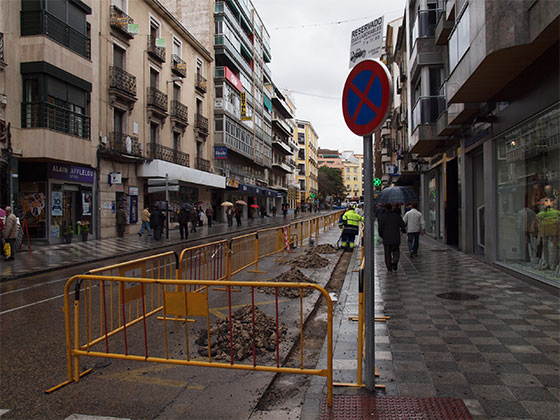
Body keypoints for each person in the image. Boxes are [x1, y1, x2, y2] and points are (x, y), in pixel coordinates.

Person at [378, 203, 406, 272]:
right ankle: (395, 262)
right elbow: (403, 224)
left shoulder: (383, 217)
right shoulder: (397, 216)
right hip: (396, 238)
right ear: (391, 208)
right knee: (396, 251)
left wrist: (382, 235)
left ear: (386, 209)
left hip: (386, 239)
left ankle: (389, 267)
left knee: (387, 254)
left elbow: (380, 228)